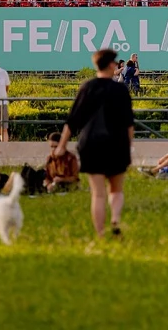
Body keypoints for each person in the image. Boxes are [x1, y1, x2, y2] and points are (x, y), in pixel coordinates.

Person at [54, 48, 135, 238]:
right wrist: (128, 146)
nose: (117, 65)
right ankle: (115, 219)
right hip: (117, 142)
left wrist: (61, 145)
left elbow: (73, 120)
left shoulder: (87, 87)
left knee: (98, 193)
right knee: (116, 189)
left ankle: (100, 233)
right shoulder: (120, 89)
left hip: (91, 144)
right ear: (110, 65)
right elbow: (128, 124)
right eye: (115, 63)